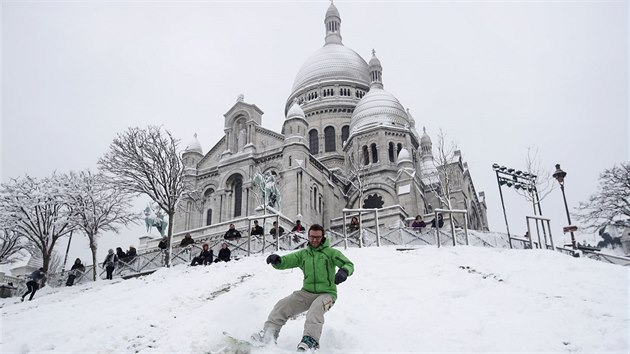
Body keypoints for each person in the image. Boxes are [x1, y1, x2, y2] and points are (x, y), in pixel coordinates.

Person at [254, 224, 354, 352]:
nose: (314, 240)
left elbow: (348, 264)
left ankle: (310, 341)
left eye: (318, 237)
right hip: (306, 293)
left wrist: (344, 271)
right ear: (308, 237)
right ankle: (268, 336)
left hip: (327, 294)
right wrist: (277, 260)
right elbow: (287, 260)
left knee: (315, 311)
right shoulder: (303, 254)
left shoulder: (331, 253)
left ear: (322, 237)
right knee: (282, 305)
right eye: (312, 237)